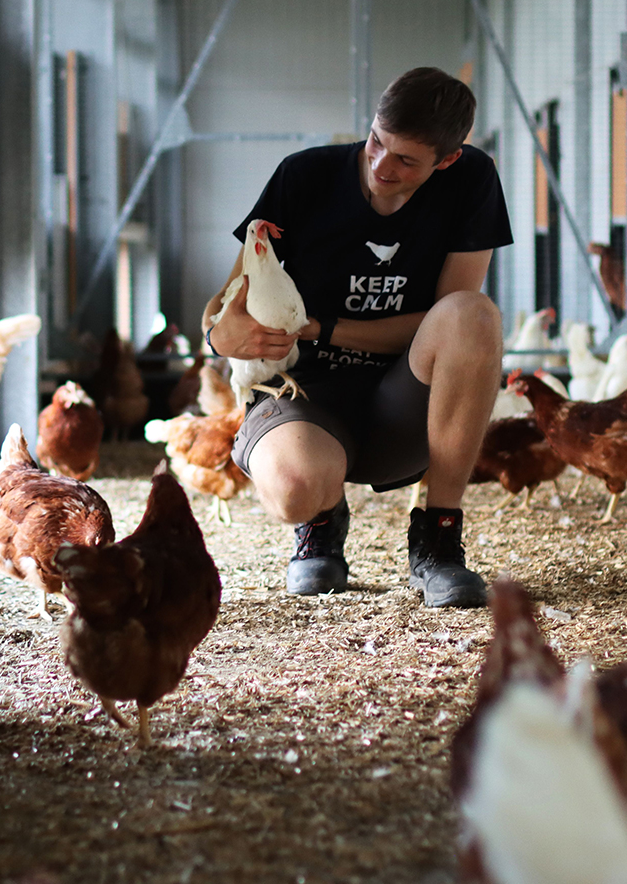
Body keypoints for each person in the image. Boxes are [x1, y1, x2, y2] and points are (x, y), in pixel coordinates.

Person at [201, 66, 510, 608]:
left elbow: (446, 319)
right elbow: (225, 307)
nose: (380, 165)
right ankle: (320, 521)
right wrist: (224, 336)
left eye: (406, 160)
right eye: (375, 142)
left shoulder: (472, 180)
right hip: (305, 392)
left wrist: (323, 328)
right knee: (294, 489)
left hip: (406, 399)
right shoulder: (303, 178)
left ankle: (438, 538)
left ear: (447, 160)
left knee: (474, 315)